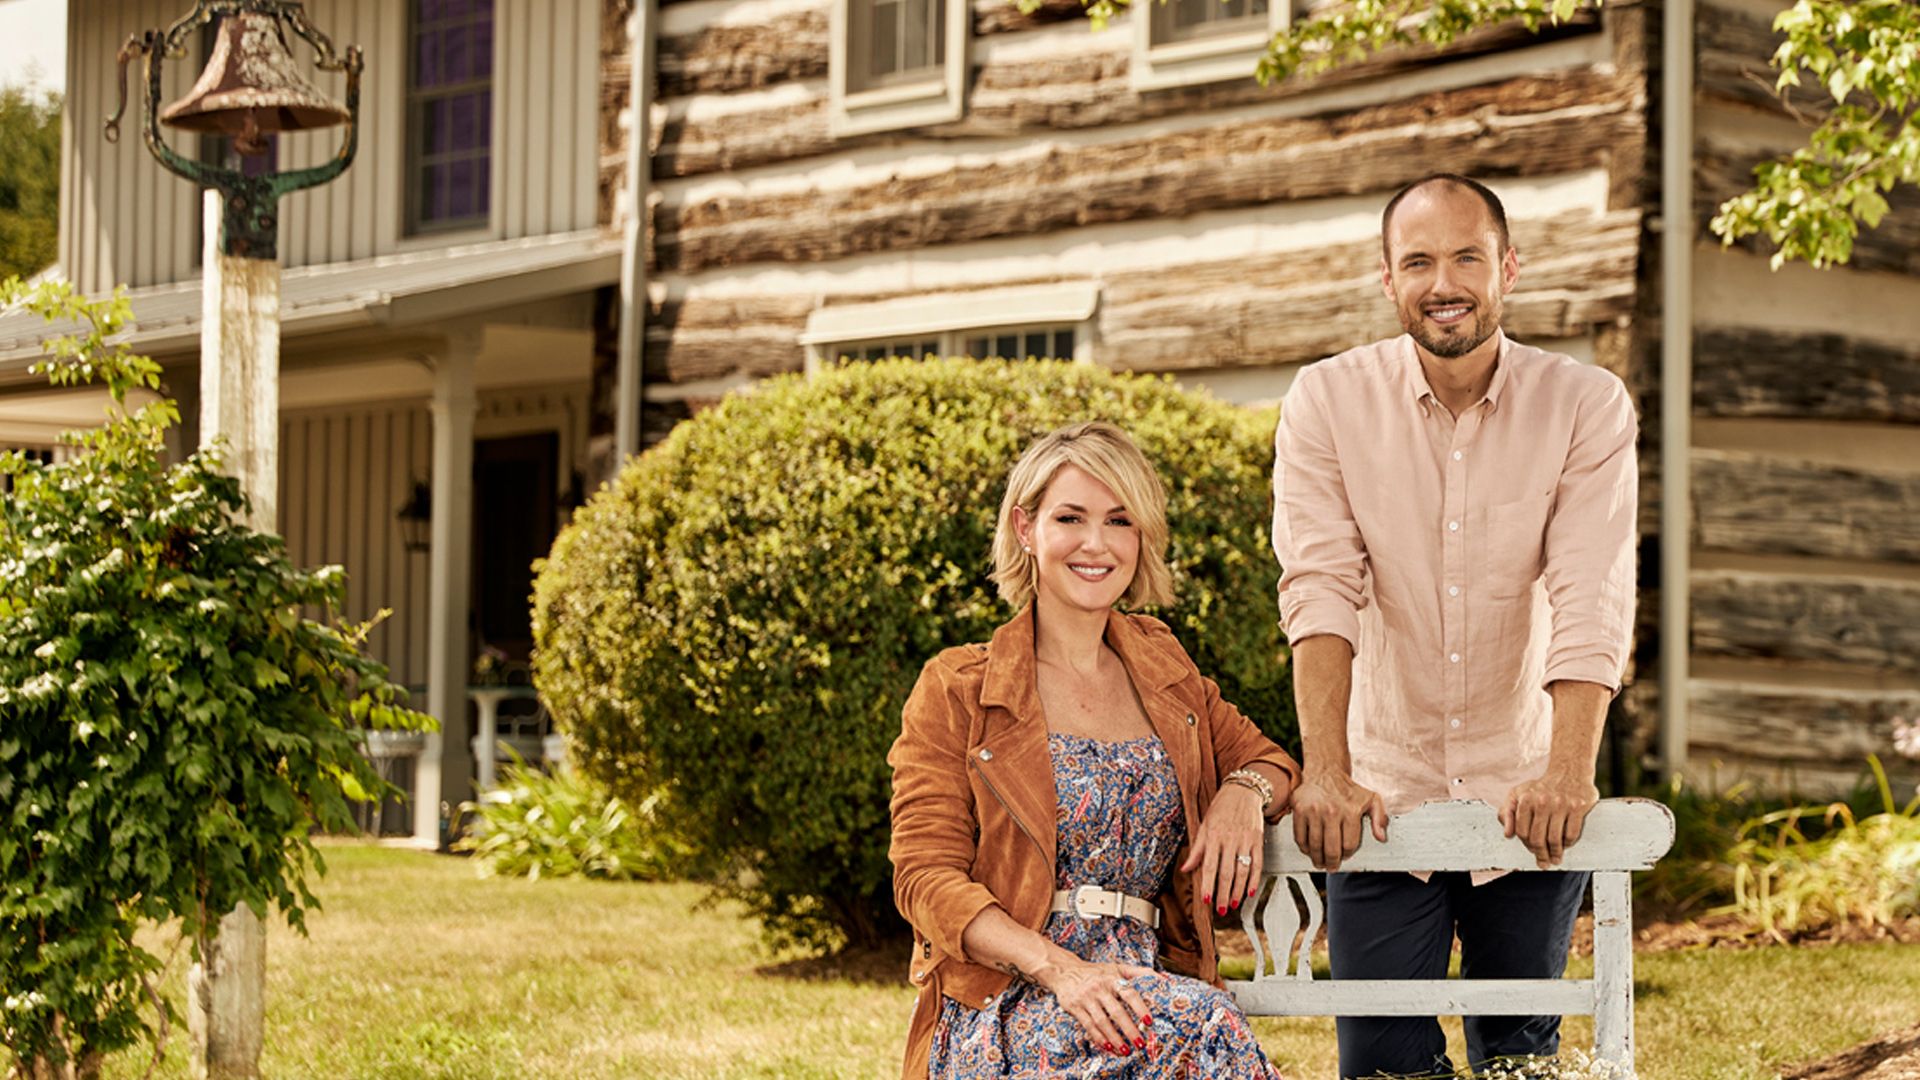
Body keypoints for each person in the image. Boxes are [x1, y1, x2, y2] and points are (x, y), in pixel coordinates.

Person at [1271, 173, 1639, 1077]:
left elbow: (1592, 592)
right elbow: (1320, 589)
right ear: (1387, 278)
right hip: (1382, 808)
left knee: (1521, 1061)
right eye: (1420, 261)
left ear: (1508, 268)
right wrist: (1326, 773)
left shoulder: (1586, 405)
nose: (1446, 282)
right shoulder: (1325, 401)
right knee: (1384, 1064)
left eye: (1468, 256)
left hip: (1528, 805)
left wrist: (1565, 771)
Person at [888, 421, 1300, 1079]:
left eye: (1118, 520)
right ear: (1026, 530)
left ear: (1141, 537)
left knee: (1183, 1024)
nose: (1095, 543)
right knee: (1203, 1025)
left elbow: (1274, 763)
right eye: (1070, 517)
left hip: (1144, 983)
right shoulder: (960, 688)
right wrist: (1060, 970)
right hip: (1010, 997)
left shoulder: (1167, 673)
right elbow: (924, 879)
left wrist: (1241, 792)